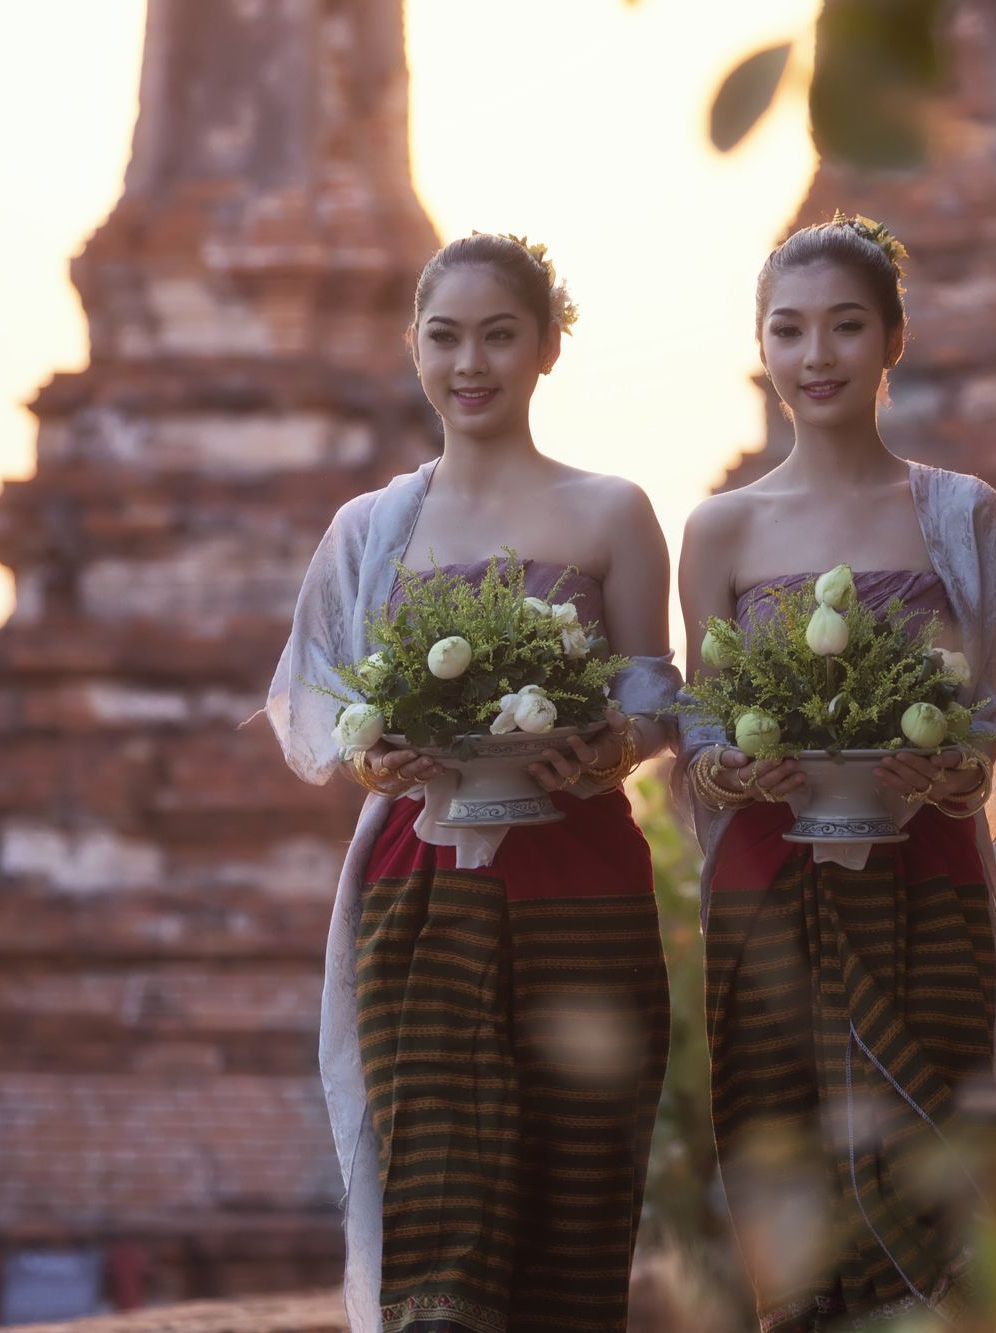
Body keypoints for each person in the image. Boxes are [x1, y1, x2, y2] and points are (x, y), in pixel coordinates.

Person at [268, 233, 682, 1333]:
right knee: (434, 1201)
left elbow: (656, 698)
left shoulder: (610, 511)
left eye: (499, 335)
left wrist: (605, 748)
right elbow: (311, 699)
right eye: (444, 337)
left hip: (582, 884)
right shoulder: (372, 531)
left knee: (576, 1190)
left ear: (547, 347)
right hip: (421, 884)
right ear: (412, 349)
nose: (471, 363)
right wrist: (371, 755)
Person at [675, 215, 996, 1330]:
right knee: (790, 1192)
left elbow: (993, 712)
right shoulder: (720, 528)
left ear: (893, 341)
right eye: (788, 330)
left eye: (843, 327)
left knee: (934, 1176)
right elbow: (696, 729)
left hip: (923, 881)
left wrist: (948, 771)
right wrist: (737, 769)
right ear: (760, 345)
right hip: (764, 894)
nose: (814, 355)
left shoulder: (958, 514)